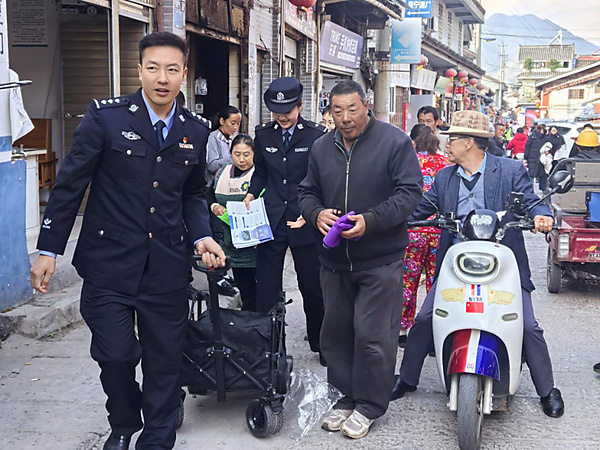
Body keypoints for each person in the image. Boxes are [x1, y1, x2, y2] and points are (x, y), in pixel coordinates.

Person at [29, 32, 226, 450]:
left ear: (184, 74)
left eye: (171, 70)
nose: (162, 78)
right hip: (108, 263)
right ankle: (123, 421)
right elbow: (70, 184)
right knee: (115, 354)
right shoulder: (106, 118)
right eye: (153, 68)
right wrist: (48, 249)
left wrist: (203, 236)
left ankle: (156, 438)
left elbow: (193, 193)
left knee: (164, 362)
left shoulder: (195, 130)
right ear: (139, 70)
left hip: (166, 265)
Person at [390, 111, 565, 419]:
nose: (446, 143)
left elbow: (531, 201)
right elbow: (421, 208)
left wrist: (542, 216)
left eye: (452, 139)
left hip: (503, 263)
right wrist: (389, 219)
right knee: (425, 318)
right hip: (456, 263)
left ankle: (547, 390)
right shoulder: (445, 177)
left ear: (469, 142)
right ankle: (406, 378)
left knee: (527, 325)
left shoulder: (510, 170)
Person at [298, 81, 422, 439]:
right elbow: (306, 192)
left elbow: (410, 193)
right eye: (338, 111)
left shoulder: (394, 142)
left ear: (366, 106)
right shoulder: (322, 147)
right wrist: (316, 213)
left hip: (380, 259)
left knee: (372, 335)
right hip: (334, 260)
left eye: (352, 109)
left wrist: (371, 220)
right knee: (336, 333)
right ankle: (344, 398)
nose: (345, 118)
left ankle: (369, 405)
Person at [243, 77, 326, 360]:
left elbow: (322, 178)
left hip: (305, 218)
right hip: (272, 219)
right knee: (267, 288)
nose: (282, 117)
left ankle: (320, 343)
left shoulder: (316, 136)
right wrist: (251, 194)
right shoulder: (264, 135)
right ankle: (269, 348)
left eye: (288, 111)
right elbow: (261, 173)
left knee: (312, 287)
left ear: (300, 106)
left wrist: (312, 210)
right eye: (277, 112)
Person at [399, 124, 451, 345]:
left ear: (413, 142)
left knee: (407, 282)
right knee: (436, 283)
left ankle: (402, 330)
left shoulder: (407, 164)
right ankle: (434, 333)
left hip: (413, 230)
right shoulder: (446, 165)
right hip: (439, 231)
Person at [206, 134, 258, 311]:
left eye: (246, 154)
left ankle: (264, 321)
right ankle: (247, 319)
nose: (241, 159)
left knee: (260, 288)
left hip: (256, 244)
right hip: (230, 242)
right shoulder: (222, 173)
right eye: (237, 154)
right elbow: (209, 195)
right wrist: (214, 206)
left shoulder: (259, 174)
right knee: (244, 287)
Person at [204, 105, 242, 296]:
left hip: (228, 193)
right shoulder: (213, 138)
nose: (235, 127)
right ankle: (217, 278)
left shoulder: (232, 139)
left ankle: (224, 272)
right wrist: (232, 158)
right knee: (216, 234)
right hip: (213, 192)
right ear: (222, 121)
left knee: (226, 236)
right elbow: (211, 165)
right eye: (232, 123)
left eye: (238, 124)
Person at [524, 123, 549, 191]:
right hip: (534, 157)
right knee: (532, 174)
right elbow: (527, 147)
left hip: (541, 158)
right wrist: (526, 157)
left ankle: (541, 188)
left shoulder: (543, 137)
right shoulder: (533, 136)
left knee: (542, 174)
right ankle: (532, 189)